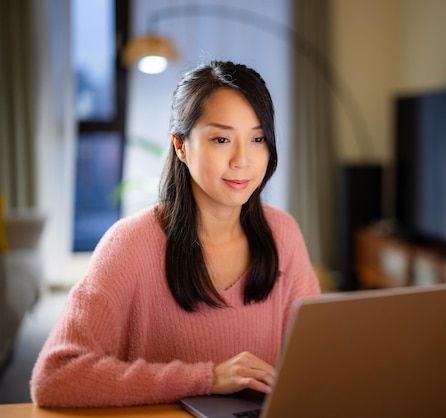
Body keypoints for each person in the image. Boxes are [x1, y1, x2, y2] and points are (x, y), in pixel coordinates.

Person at [30, 61, 321, 408]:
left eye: (257, 138)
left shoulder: (282, 234)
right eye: (222, 139)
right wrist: (206, 378)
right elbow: (56, 376)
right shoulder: (131, 244)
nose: (243, 160)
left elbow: (315, 360)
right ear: (181, 146)